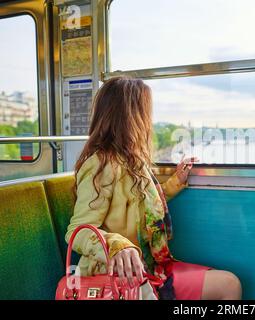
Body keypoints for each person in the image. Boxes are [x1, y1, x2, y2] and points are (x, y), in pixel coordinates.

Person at [65, 76, 242, 300]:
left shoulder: (133, 161)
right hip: (118, 275)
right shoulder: (100, 165)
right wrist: (118, 246)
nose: (148, 121)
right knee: (228, 285)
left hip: (150, 266)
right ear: (130, 117)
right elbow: (77, 231)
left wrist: (176, 180)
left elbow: (144, 205)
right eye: (145, 112)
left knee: (229, 284)